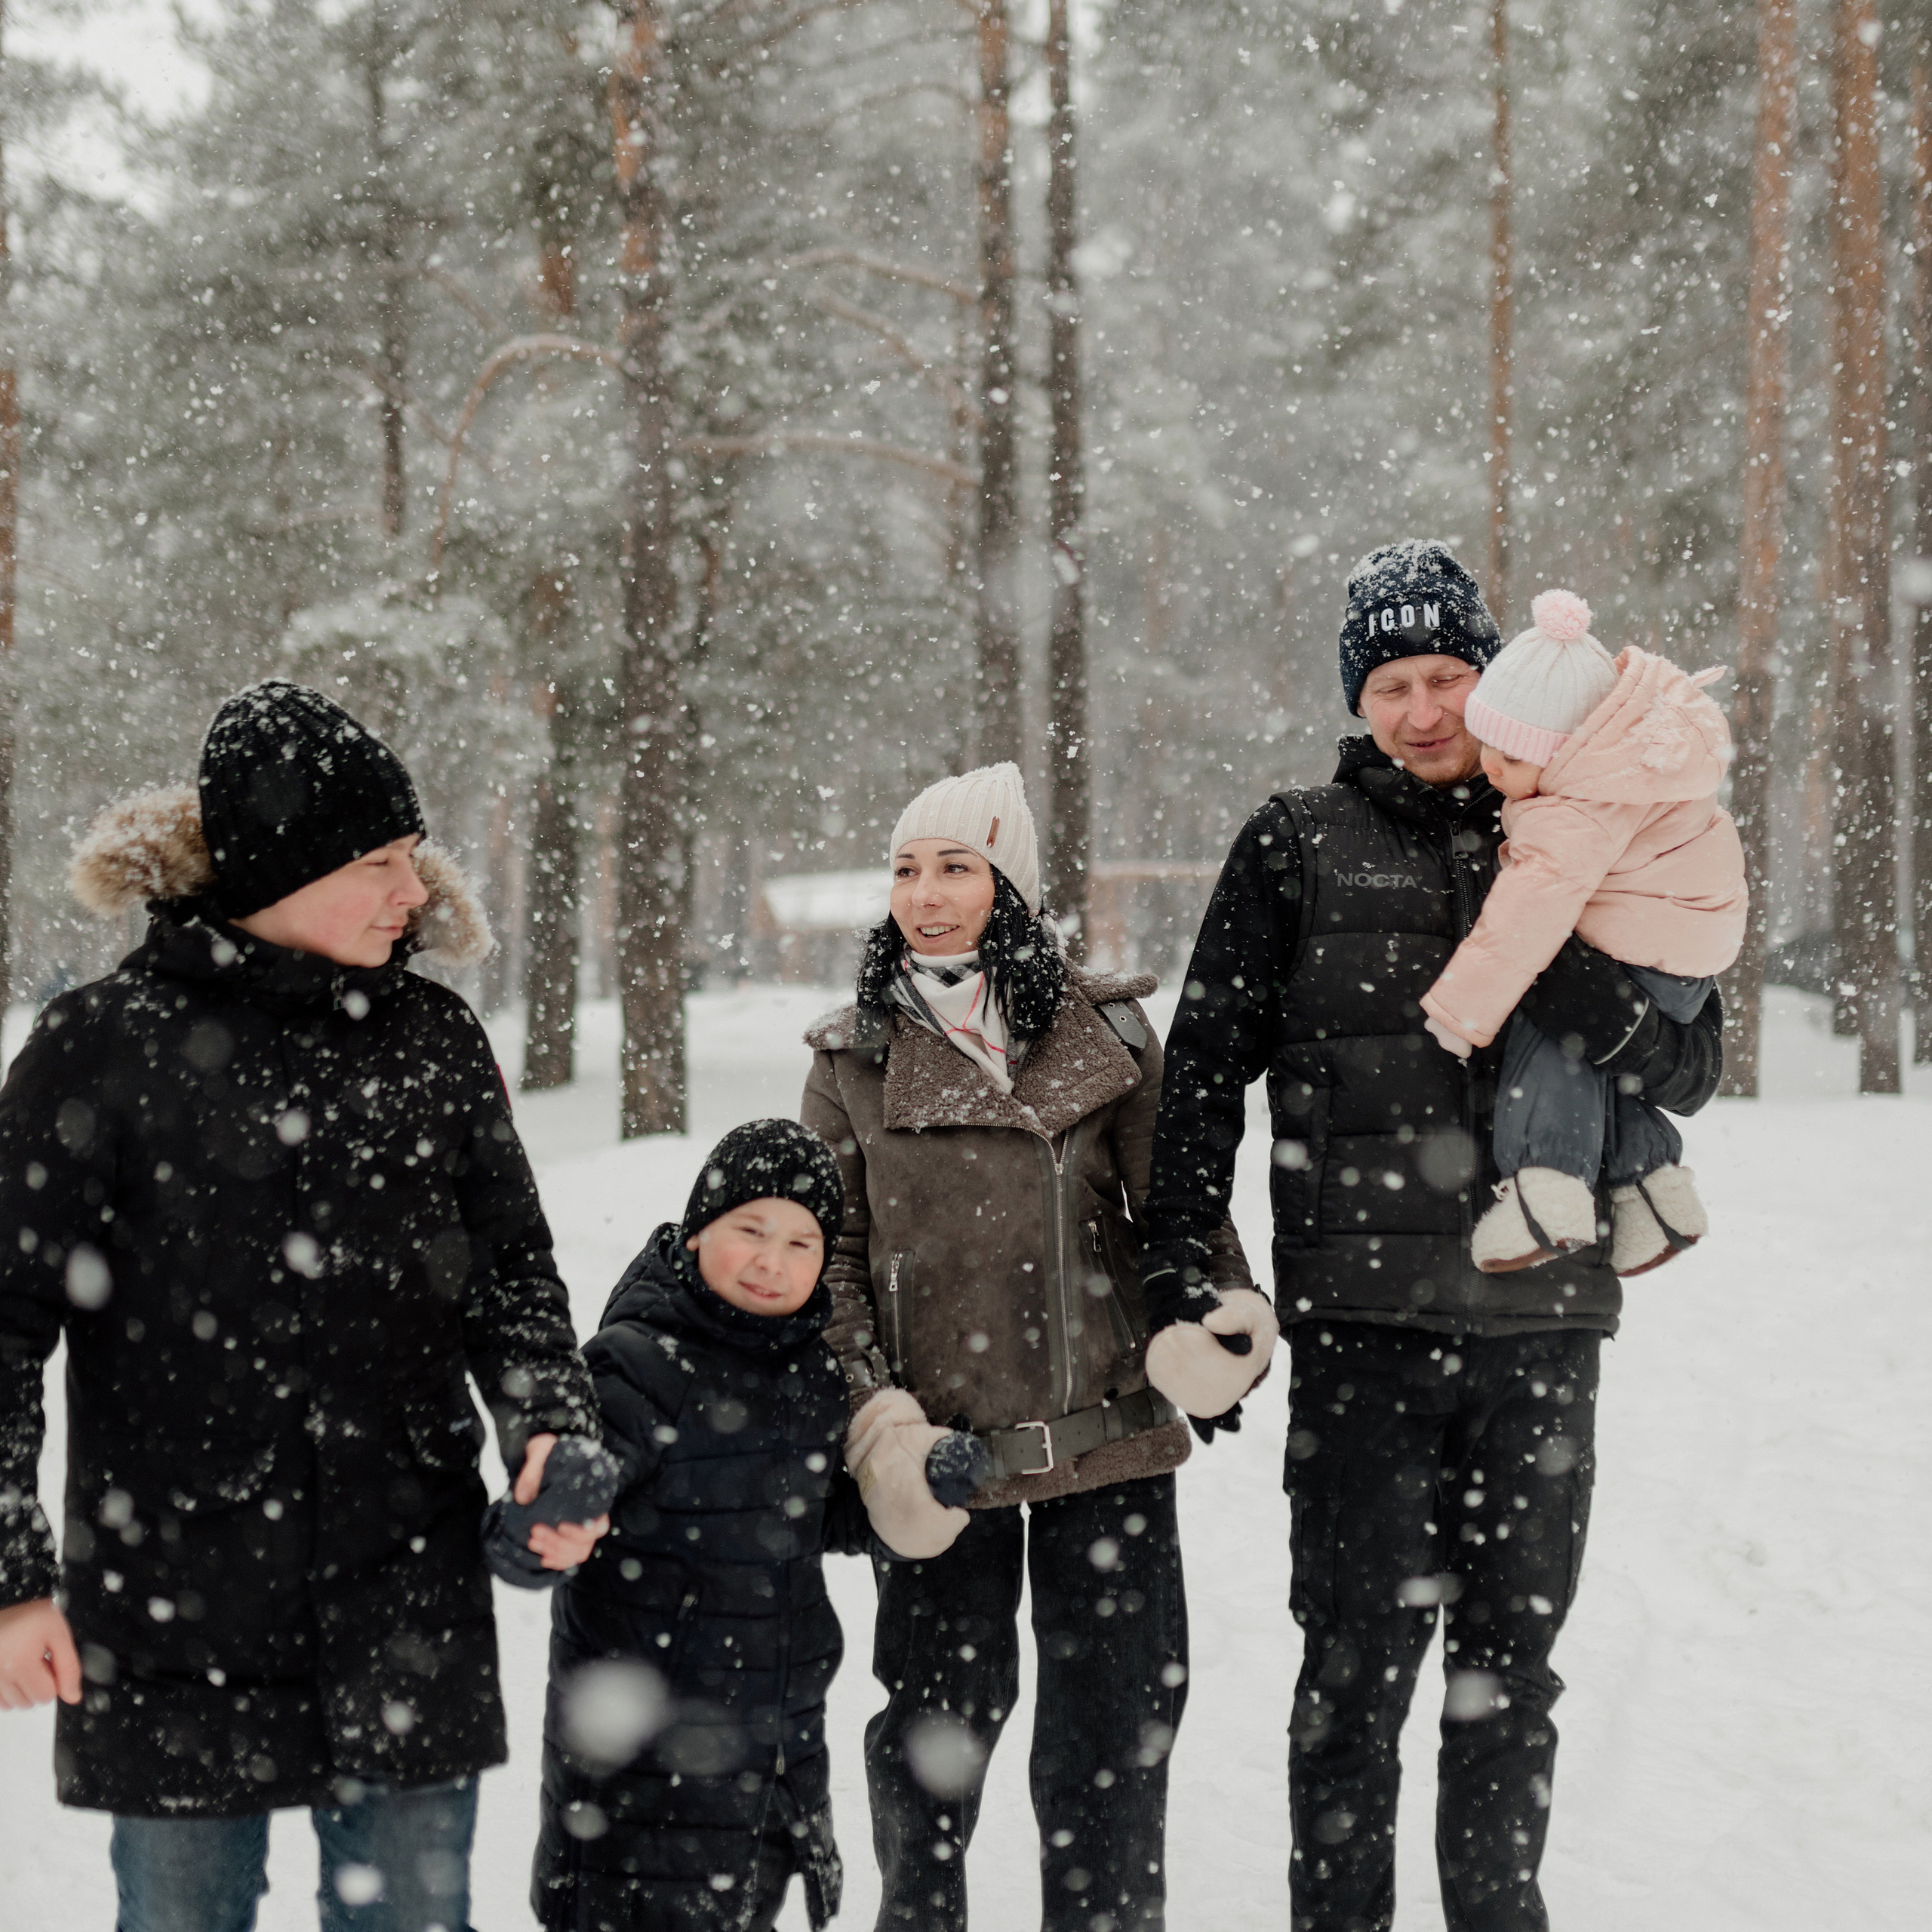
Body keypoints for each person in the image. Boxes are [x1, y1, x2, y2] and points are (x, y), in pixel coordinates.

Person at [1137, 542, 1724, 1932]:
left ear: (1495, 679)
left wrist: (1565, 967)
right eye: (1391, 683)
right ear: (1360, 696)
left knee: (1513, 1675)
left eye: (1446, 676)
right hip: (1365, 1332)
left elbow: (1689, 1070)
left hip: (1546, 1327)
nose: (1420, 709)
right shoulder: (1295, 842)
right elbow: (1205, 1068)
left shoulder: (1598, 822)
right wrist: (1177, 1265)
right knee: (1353, 1674)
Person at [0, 680, 603, 1932]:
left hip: (406, 1594)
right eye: (384, 860)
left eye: (415, 859)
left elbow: (511, 1274)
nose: (416, 892)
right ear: (285, 863)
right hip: (175, 1602)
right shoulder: (101, 1044)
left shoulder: (433, 1039)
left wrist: (549, 1423)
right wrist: (10, 1576)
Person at [799, 762, 1268, 1932]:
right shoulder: (853, 1055)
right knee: (930, 1747)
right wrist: (876, 1424)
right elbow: (830, 1260)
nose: (926, 893)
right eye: (906, 869)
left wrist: (1217, 1320)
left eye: (956, 866)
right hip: (946, 1463)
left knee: (1111, 1750)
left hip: (1110, 1447)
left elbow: (1184, 1212)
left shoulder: (1107, 1028)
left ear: (1008, 883)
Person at [532, 1119, 866, 1932]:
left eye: (801, 1242)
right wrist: (561, 1495)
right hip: (642, 1780)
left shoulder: (812, 1373)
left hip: (771, 1765)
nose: (771, 1261)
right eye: (749, 1230)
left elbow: (815, 1515)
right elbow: (571, 1485)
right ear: (697, 1231)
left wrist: (918, 1488)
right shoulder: (634, 1364)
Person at [1419, 589, 1746, 1275]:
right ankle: (1653, 1193)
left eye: (1510, 756)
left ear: (1564, 750)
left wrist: (1462, 1012)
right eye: (1490, 749)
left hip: (1643, 948)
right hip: (1682, 955)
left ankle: (1548, 1192)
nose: (1493, 771)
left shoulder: (1577, 807)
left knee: (1554, 1041)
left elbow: (1521, 921)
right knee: (1605, 1065)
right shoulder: (1624, 770)